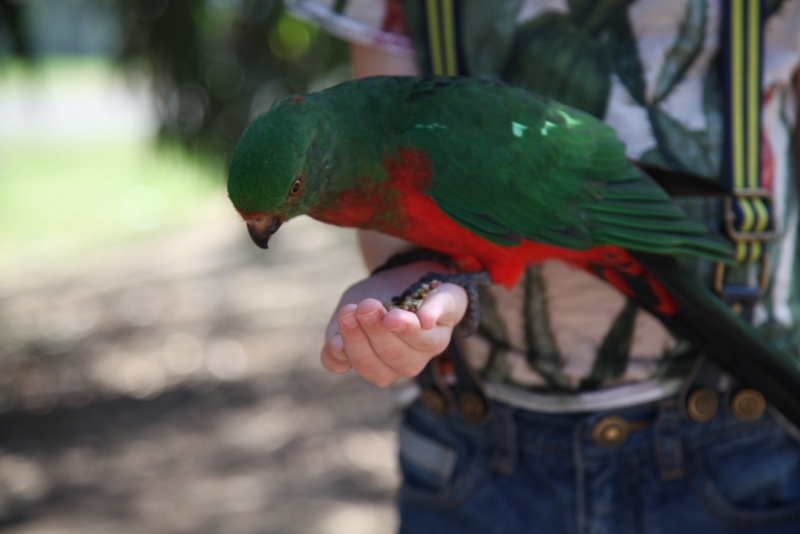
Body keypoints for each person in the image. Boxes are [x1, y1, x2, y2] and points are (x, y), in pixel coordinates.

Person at [287, 1, 800, 532]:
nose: (266, 227)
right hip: (473, 448)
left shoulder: (425, 142)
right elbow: (407, 217)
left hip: (744, 439)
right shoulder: (372, 144)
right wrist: (396, 278)